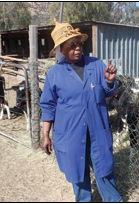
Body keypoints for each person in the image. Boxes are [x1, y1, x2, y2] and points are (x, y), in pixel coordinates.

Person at [40, 20, 123, 202]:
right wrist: (46, 134)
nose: (77, 48)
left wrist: (109, 81)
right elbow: (48, 106)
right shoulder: (55, 74)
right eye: (71, 45)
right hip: (70, 134)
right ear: (61, 49)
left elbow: (110, 92)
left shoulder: (97, 65)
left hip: (97, 132)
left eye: (79, 44)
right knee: (78, 174)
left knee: (104, 172)